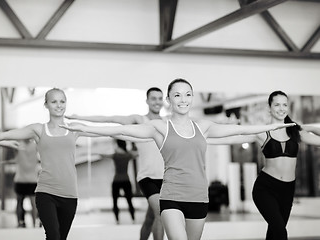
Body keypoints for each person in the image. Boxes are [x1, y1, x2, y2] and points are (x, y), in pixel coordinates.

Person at [61, 79, 295, 240]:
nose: (183, 99)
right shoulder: (158, 127)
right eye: (177, 95)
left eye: (187, 94)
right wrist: (85, 127)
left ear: (192, 98)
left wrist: (272, 125)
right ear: (169, 100)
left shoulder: (202, 126)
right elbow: (121, 131)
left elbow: (242, 131)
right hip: (171, 196)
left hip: (198, 197)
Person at [0, 88, 110, 240]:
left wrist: (138, 133)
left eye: (62, 101)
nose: (59, 105)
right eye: (54, 101)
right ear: (46, 105)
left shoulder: (74, 128)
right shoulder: (38, 130)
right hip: (46, 191)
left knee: (60, 237)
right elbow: (4, 135)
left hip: (70, 194)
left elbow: (106, 131)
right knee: (53, 235)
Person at [207, 90, 320, 240]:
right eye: (277, 105)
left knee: (274, 233)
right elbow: (232, 138)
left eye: (285, 104)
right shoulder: (262, 132)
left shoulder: (295, 132)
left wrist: (310, 128)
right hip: (266, 188)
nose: (281, 108)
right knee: (280, 232)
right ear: (269, 108)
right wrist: (205, 140)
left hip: (287, 189)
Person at [66, 87, 165, 240]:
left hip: (165, 178)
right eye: (153, 98)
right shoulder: (139, 120)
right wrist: (80, 118)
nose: (157, 102)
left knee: (151, 217)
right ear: (147, 101)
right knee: (160, 213)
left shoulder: (167, 123)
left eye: (160, 98)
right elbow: (110, 119)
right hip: (147, 177)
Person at [97, 139, 137, 224]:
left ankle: (117, 220)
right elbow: (136, 154)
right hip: (126, 180)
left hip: (116, 181)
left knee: (115, 202)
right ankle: (133, 219)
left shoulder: (115, 155)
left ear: (118, 145)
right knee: (129, 201)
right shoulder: (127, 155)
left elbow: (102, 155)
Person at [13, 138, 40, 228]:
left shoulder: (17, 145)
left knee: (19, 202)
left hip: (20, 178)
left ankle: (20, 223)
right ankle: (34, 224)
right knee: (33, 203)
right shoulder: (35, 145)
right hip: (32, 179)